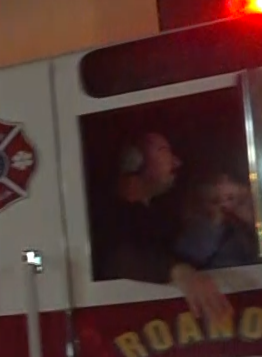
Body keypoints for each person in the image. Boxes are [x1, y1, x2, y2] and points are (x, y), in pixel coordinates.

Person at [93, 131, 233, 322]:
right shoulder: (110, 217)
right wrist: (178, 272)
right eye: (164, 151)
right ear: (135, 160)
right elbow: (119, 258)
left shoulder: (155, 216)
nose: (177, 162)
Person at [173, 170, 257, 271]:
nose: (224, 205)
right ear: (201, 204)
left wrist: (250, 221)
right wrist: (214, 224)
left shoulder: (240, 223)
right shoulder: (197, 227)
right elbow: (193, 257)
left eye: (231, 198)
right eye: (215, 201)